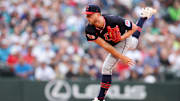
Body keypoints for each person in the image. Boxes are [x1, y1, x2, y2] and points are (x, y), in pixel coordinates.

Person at [83, 4, 156, 101]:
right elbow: (105, 45)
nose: (87, 17)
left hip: (123, 40)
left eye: (90, 15)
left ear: (98, 14)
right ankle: (143, 17)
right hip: (112, 44)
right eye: (87, 15)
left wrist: (121, 38)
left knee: (106, 67)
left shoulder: (114, 20)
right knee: (134, 43)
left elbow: (133, 28)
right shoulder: (89, 29)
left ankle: (100, 98)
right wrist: (121, 57)